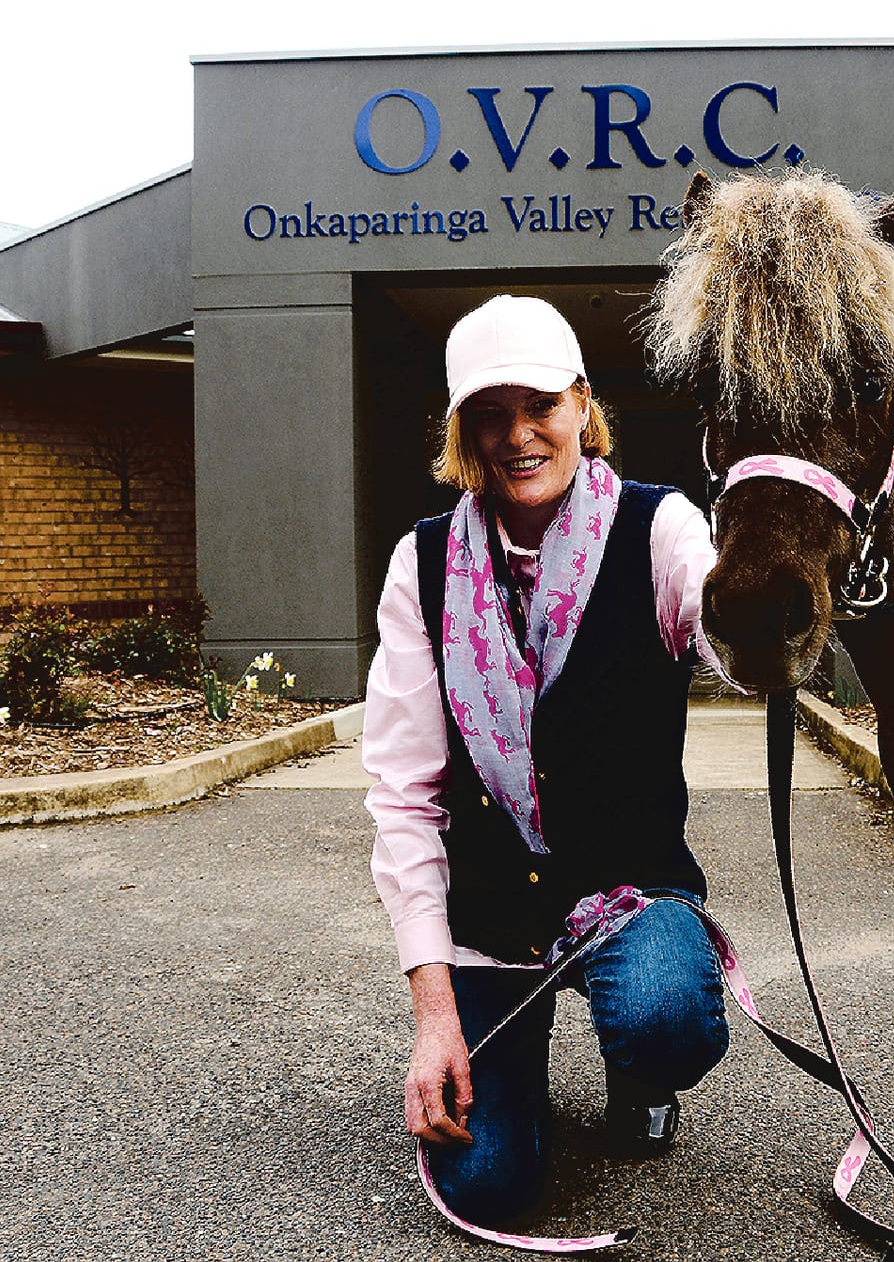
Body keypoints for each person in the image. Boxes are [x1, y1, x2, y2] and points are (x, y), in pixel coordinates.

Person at [363, 293, 729, 1226]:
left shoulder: (663, 529)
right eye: (489, 412)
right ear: (461, 429)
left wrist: (754, 600)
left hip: (626, 895)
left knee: (661, 1018)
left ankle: (636, 1069)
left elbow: (726, 624)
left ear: (583, 404)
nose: (517, 434)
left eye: (541, 406)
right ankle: (510, 1052)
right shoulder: (425, 560)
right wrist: (434, 1019)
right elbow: (404, 795)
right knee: (487, 1183)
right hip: (494, 918)